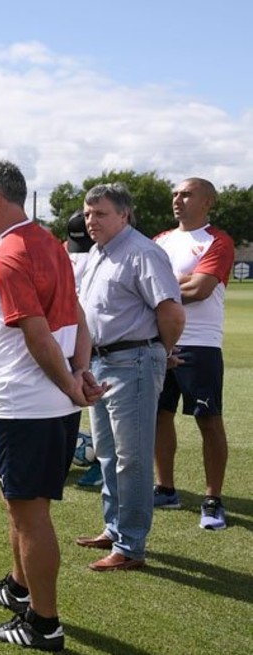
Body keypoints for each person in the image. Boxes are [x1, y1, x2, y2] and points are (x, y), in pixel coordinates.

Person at [0, 160, 100, 652]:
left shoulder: (9, 255)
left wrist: (70, 382)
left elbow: (38, 333)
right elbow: (78, 317)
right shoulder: (47, 242)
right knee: (18, 502)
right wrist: (79, 374)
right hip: (51, 403)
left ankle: (44, 624)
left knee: (30, 513)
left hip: (26, 405)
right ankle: (20, 588)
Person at [73, 183, 184, 572]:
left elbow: (172, 312)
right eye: (88, 214)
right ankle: (115, 528)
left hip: (133, 361)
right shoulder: (96, 255)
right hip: (101, 363)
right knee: (107, 453)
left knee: (131, 458)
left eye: (100, 214)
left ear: (125, 215)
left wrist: (159, 352)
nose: (91, 221)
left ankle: (131, 545)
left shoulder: (142, 253)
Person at [152, 178, 234, 530]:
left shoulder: (217, 240)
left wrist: (161, 288)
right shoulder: (160, 241)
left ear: (208, 202)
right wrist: (178, 281)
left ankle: (212, 498)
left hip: (200, 343)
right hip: (159, 342)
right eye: (175, 194)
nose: (178, 200)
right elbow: (143, 283)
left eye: (186, 194)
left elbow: (200, 289)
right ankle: (165, 488)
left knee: (208, 420)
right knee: (159, 415)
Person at [63, 211, 104, 489]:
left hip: (108, 344)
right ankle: (62, 455)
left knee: (101, 406)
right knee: (69, 398)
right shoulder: (63, 253)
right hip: (71, 338)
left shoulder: (114, 254)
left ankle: (103, 464)